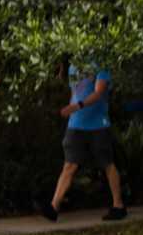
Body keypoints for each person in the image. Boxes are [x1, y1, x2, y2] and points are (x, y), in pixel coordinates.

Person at [39, 59, 126, 222]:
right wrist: (71, 109)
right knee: (69, 165)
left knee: (107, 164)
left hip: (98, 125)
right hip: (76, 124)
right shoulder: (73, 66)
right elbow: (75, 92)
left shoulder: (101, 64)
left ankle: (118, 206)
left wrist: (76, 106)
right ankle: (54, 207)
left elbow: (99, 92)